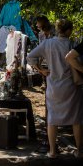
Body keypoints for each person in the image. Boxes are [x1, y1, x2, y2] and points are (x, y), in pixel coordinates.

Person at [27, 19, 83, 158]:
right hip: (71, 86)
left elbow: (30, 56)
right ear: (68, 30)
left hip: (54, 86)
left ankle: (52, 152)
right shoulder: (73, 44)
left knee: (52, 119)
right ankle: (79, 151)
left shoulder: (48, 43)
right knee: (76, 119)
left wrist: (40, 70)